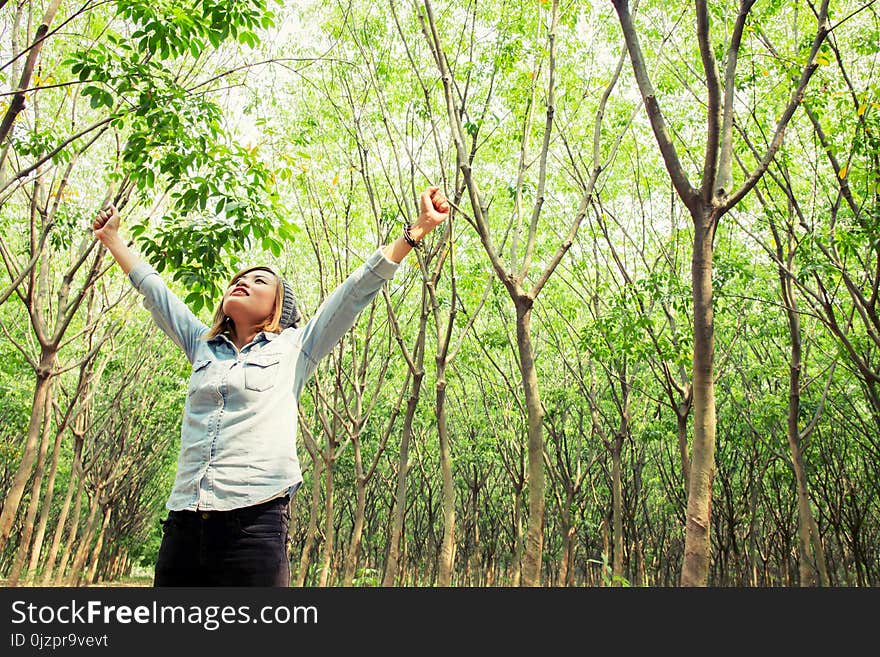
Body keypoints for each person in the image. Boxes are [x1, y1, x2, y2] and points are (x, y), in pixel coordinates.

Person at [92, 187, 449, 586]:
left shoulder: (297, 347)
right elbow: (156, 291)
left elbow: (354, 292)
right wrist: (113, 240)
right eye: (237, 280)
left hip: (254, 526)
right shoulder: (201, 345)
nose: (240, 283)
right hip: (184, 525)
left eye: (257, 280)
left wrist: (417, 230)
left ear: (280, 306)